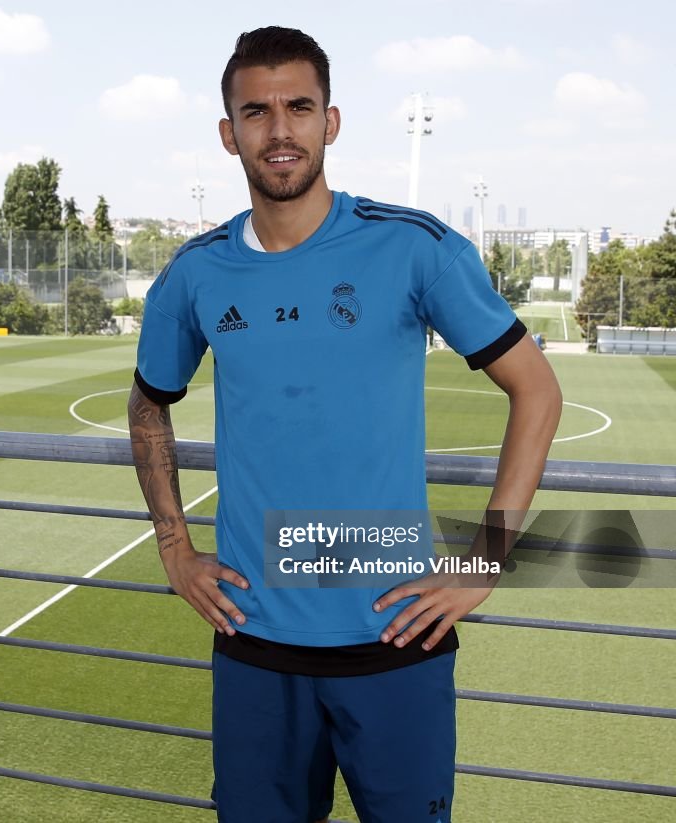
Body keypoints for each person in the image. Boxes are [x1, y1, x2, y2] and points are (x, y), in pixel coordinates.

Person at [127, 26, 562, 823]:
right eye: (256, 112)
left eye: (299, 106)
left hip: (396, 635)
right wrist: (174, 548)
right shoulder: (195, 273)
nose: (280, 129)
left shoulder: (413, 247)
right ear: (229, 135)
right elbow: (149, 400)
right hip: (254, 644)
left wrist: (488, 559)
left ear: (331, 121)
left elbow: (536, 389)